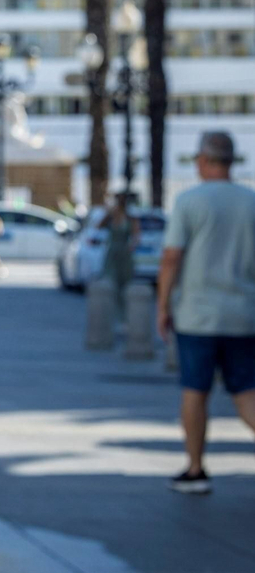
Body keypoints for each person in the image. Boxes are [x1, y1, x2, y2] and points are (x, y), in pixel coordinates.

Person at [154, 131, 255, 495]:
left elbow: (171, 257)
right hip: (245, 313)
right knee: (247, 393)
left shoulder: (189, 201)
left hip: (198, 314)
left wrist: (163, 306)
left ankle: (196, 469)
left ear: (206, 160)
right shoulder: (251, 201)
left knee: (195, 391)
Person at [102, 194, 137, 294]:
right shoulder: (111, 216)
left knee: (125, 280)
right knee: (110, 278)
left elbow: (136, 236)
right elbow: (98, 226)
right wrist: (109, 213)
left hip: (124, 252)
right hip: (113, 252)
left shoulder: (130, 218)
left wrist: (132, 246)